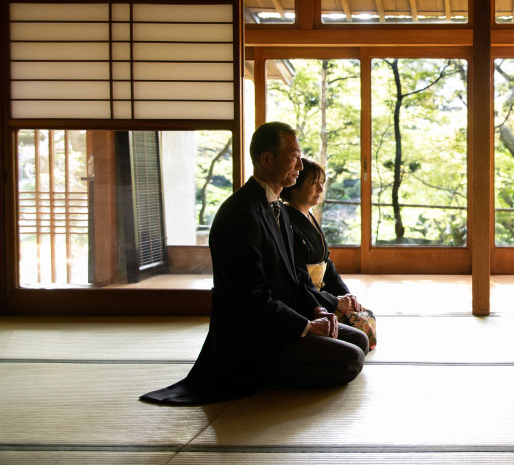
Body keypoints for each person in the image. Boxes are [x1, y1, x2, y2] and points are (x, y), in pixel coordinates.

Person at [141, 122, 368, 405]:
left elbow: (298, 279)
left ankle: (296, 355)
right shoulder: (240, 213)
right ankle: (265, 373)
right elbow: (251, 297)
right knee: (351, 358)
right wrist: (307, 327)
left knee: (357, 339)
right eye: (294, 155)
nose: (300, 164)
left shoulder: (277, 209)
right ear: (267, 159)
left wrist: (318, 310)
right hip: (254, 335)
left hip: (287, 318)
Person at [281, 157, 376, 349]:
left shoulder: (309, 217)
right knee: (362, 326)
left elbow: (327, 265)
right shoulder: (286, 220)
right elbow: (299, 277)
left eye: (322, 184)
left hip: (321, 292)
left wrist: (346, 296)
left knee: (366, 316)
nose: (320, 190)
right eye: (314, 183)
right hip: (307, 298)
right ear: (295, 186)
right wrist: (333, 302)